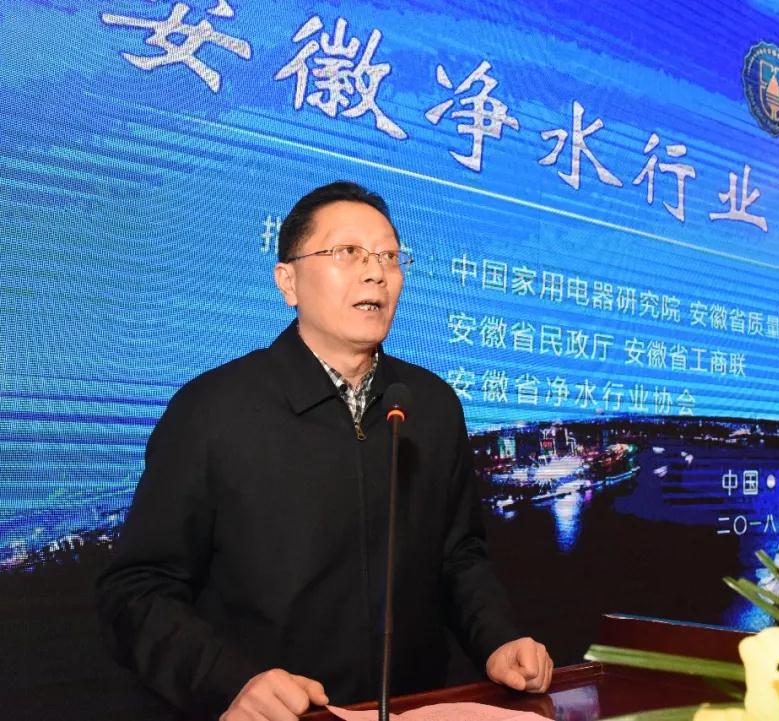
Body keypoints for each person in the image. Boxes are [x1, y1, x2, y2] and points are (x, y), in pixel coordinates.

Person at [96, 181, 553, 720]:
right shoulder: (213, 409)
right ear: (287, 281)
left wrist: (498, 640)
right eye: (347, 253)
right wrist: (229, 682)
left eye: (389, 256)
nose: (375, 273)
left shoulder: (430, 405)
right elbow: (138, 589)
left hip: (409, 708)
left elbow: (459, 557)